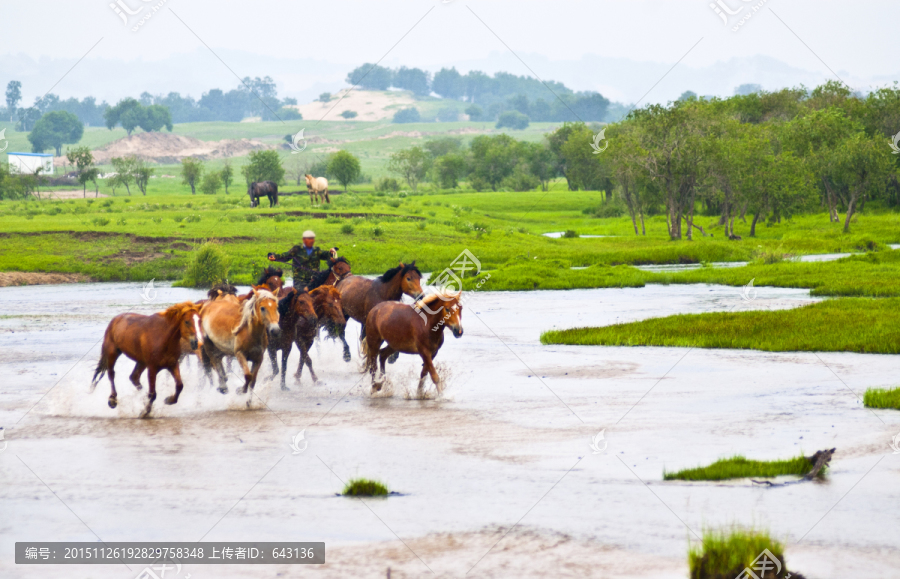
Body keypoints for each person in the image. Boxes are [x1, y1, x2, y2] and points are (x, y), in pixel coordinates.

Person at [268, 231, 337, 290]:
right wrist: (273, 256)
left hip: (314, 280)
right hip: (300, 280)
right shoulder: (297, 249)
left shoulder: (316, 250)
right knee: (301, 297)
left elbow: (326, 255)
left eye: (312, 239)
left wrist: (331, 252)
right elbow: (285, 256)